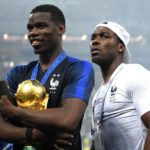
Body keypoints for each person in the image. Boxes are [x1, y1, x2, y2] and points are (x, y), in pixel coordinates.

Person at [0, 4, 94, 150]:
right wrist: (37, 136)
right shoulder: (17, 73)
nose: (33, 33)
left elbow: (67, 119)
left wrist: (15, 112)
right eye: (30, 28)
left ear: (61, 29)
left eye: (41, 26)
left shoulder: (78, 68)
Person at [90, 21, 150, 150]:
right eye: (93, 37)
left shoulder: (133, 73)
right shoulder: (98, 94)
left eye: (104, 36)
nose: (95, 41)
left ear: (120, 47)